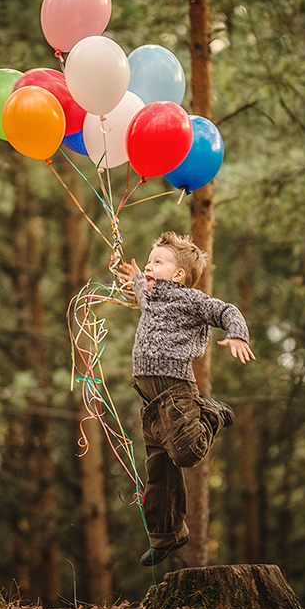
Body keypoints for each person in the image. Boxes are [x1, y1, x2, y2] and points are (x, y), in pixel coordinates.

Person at [119, 231, 255, 566]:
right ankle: (168, 534)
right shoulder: (149, 294)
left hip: (177, 393)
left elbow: (226, 310)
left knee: (187, 453)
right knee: (159, 470)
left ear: (178, 275)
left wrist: (237, 333)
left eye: (158, 262)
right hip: (149, 400)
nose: (150, 266)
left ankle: (211, 414)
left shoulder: (190, 300)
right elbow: (141, 286)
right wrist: (137, 277)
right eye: (149, 260)